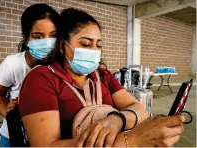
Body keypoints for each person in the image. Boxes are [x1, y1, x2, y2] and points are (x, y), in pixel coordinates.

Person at [19, 8, 184, 147]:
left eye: (98, 45)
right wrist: (131, 140)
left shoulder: (102, 75)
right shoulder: (42, 78)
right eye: (85, 44)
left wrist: (118, 119)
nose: (94, 51)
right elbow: (46, 145)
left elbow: (138, 108)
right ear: (63, 46)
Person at [0, 3, 60, 147]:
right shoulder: (13, 64)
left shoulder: (60, 65)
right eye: (38, 37)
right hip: (13, 138)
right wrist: (11, 115)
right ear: (26, 38)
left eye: (53, 36)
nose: (47, 42)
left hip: (48, 139)